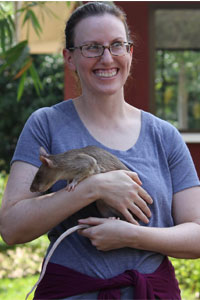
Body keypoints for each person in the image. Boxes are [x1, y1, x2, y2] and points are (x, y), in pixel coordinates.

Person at [1, 2, 200, 299]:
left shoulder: (165, 136)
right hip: (71, 291)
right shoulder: (46, 124)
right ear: (69, 58)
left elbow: (197, 235)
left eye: (117, 45)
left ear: (130, 53)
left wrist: (131, 235)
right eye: (92, 47)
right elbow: (12, 228)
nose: (106, 58)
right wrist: (93, 188)